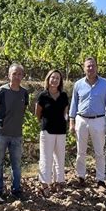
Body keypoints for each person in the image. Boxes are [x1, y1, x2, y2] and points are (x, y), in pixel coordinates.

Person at [69, 57, 106, 188]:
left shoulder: (105, 84)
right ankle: (81, 177)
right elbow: (74, 104)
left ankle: (100, 179)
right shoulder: (78, 84)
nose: (90, 68)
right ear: (84, 68)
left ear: (97, 67)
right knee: (80, 151)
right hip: (81, 120)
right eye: (88, 66)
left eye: (93, 65)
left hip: (98, 120)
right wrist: (72, 122)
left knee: (99, 151)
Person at [0, 63, 29, 203]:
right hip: (1, 134)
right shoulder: (1, 91)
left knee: (16, 164)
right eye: (14, 74)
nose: (17, 77)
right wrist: (0, 123)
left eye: (20, 74)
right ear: (9, 75)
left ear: (23, 76)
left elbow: (22, 109)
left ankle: (16, 190)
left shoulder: (24, 93)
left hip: (17, 135)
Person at [35, 69, 69, 197]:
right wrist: (45, 123)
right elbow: (37, 114)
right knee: (46, 158)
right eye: (52, 77)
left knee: (60, 158)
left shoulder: (64, 95)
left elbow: (65, 113)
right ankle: (44, 184)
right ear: (48, 79)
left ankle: (59, 183)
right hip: (47, 131)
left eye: (57, 78)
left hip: (60, 131)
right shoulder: (42, 96)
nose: (54, 80)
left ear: (60, 81)